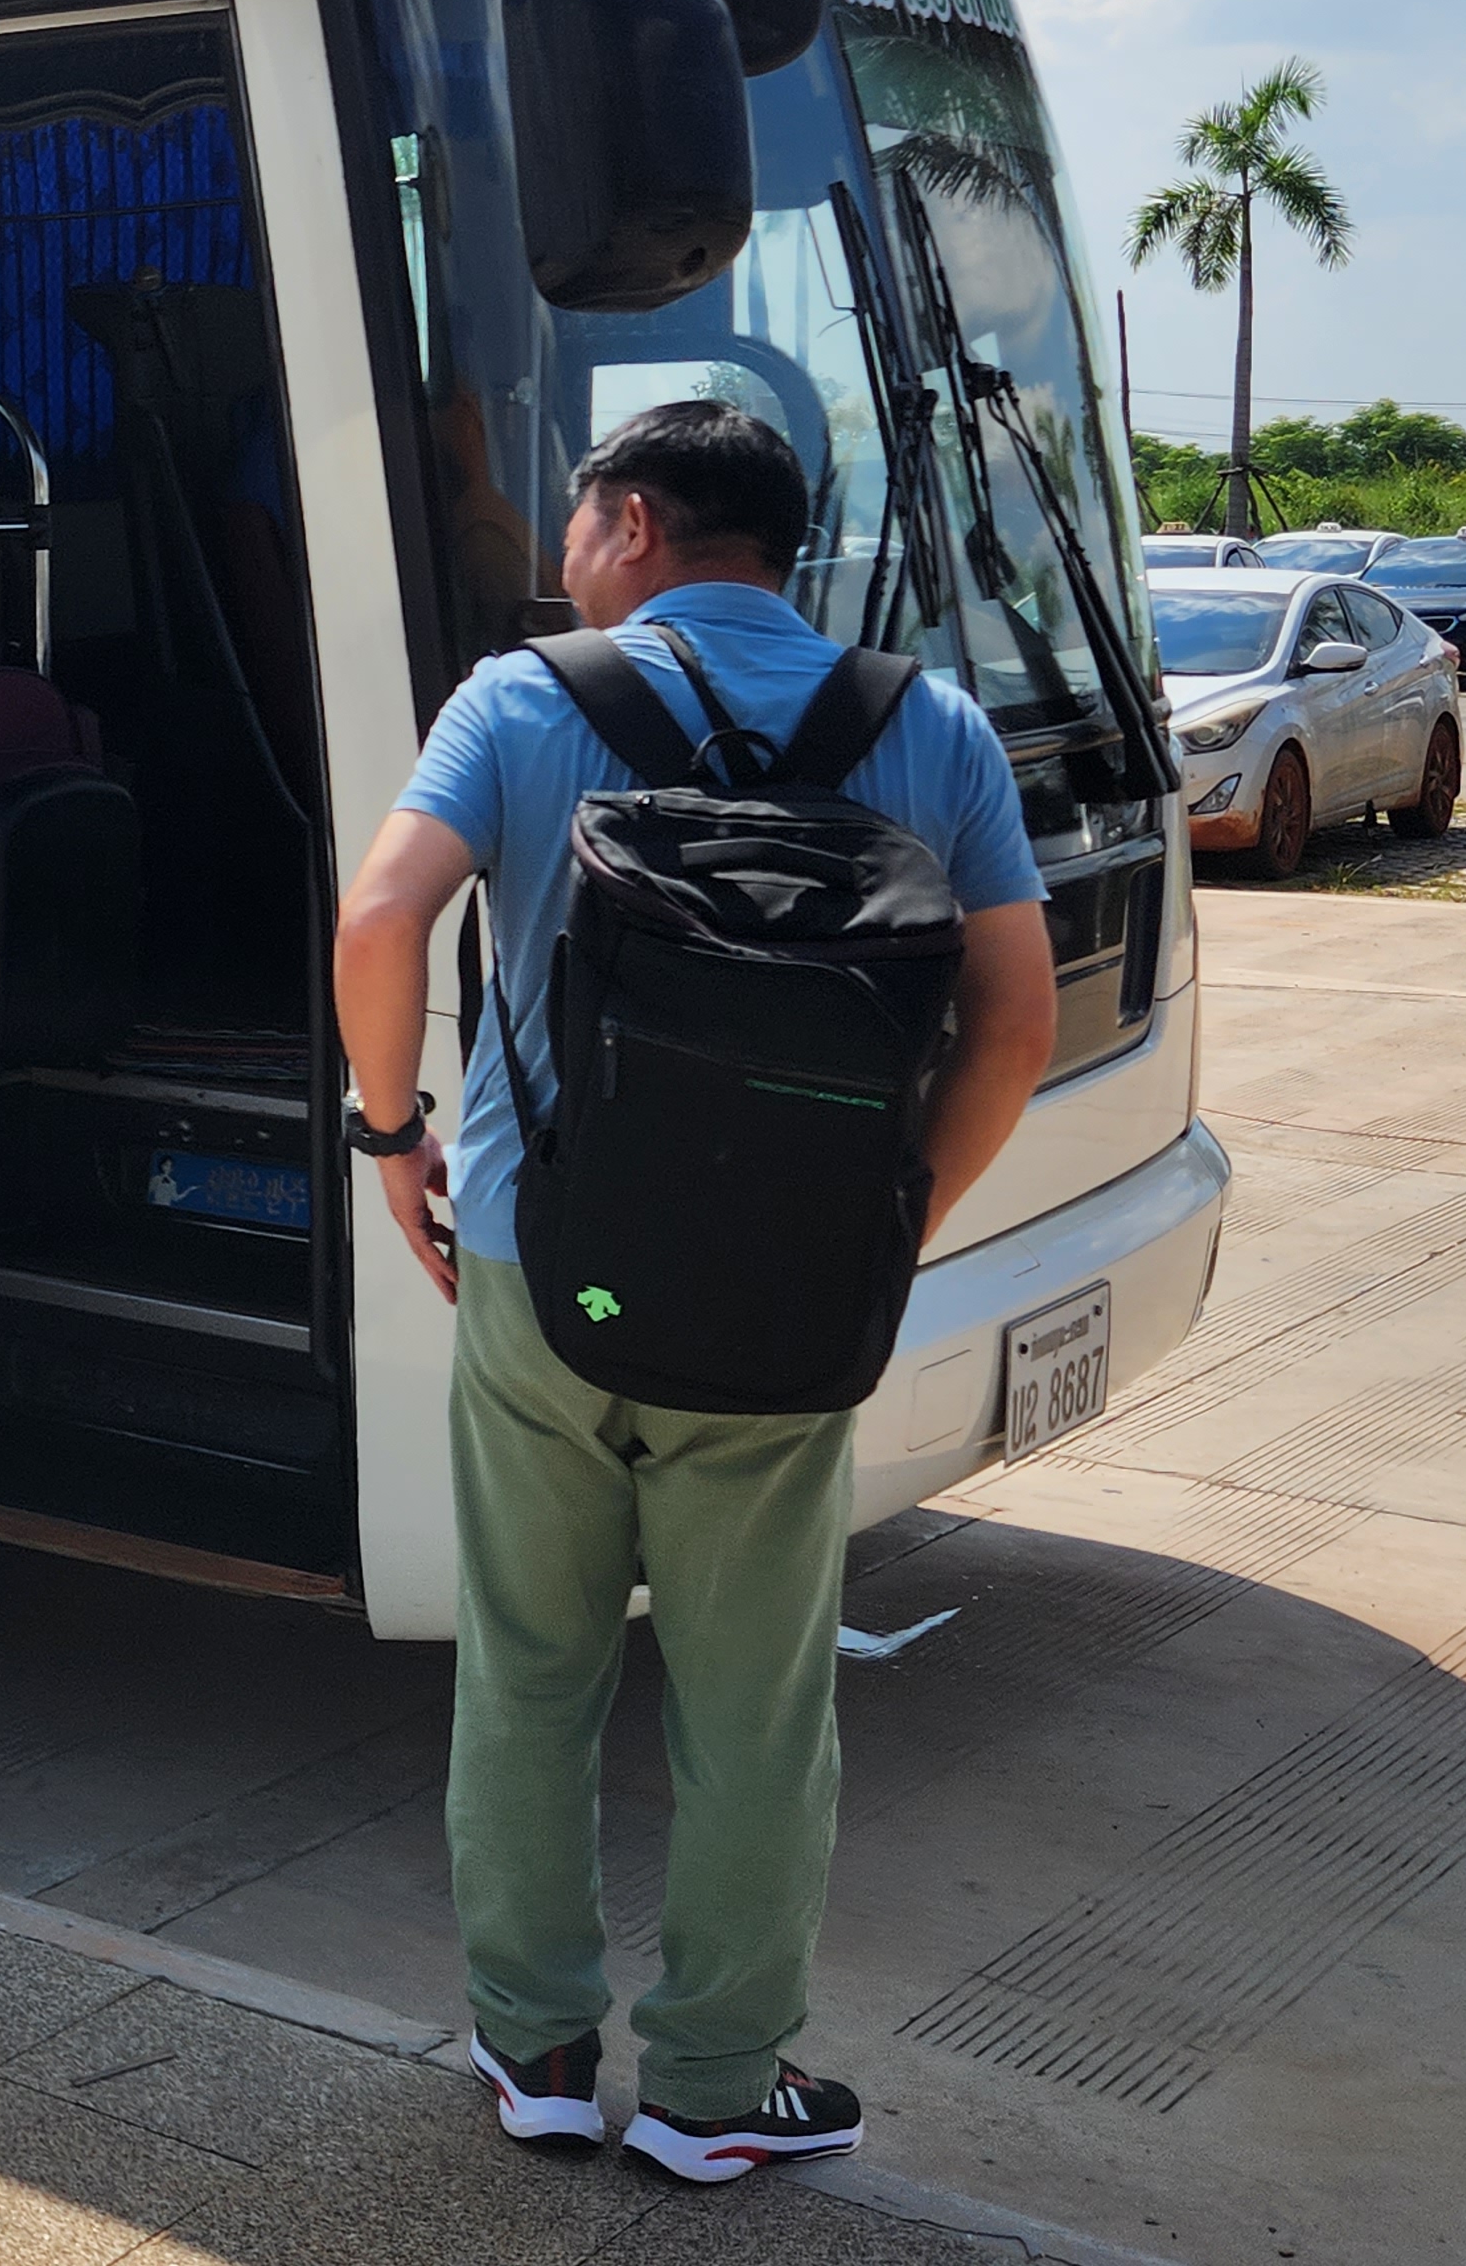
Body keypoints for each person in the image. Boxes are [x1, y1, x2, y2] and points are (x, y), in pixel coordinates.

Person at [329, 402, 1056, 2183]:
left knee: (532, 1665)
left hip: (539, 1270)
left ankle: (536, 2048)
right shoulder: (930, 726)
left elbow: (378, 922)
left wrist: (394, 1137)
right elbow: (1015, 1024)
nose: (566, 549)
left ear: (636, 523)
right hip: (788, 1303)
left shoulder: (519, 702)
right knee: (757, 1704)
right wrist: (890, 1219)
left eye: (580, 517)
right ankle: (719, 2090)